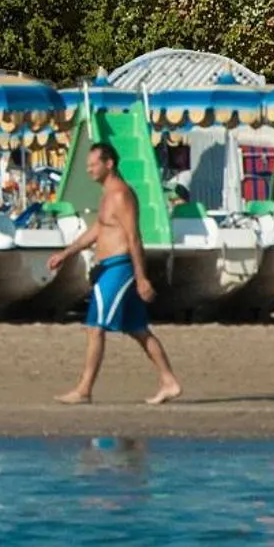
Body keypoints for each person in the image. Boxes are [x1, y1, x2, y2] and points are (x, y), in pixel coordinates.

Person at [49, 141, 182, 406]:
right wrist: (66, 253)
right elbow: (99, 230)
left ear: (109, 164)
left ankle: (84, 389)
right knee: (138, 329)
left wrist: (141, 276)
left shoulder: (121, 195)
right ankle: (169, 381)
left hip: (119, 268)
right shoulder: (107, 194)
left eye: (93, 164)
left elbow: (134, 237)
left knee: (94, 327)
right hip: (108, 269)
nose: (88, 170)